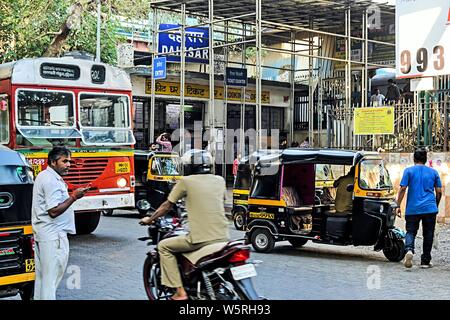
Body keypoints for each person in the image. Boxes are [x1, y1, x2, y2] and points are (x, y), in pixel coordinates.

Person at [139, 149, 229, 300]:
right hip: (223, 237)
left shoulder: (185, 182)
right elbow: (219, 201)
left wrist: (150, 218)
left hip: (200, 238)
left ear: (188, 167)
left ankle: (180, 292)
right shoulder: (220, 180)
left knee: (163, 247)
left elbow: (166, 205)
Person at [32, 146, 90, 300]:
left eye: (69, 161)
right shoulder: (50, 180)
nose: (69, 165)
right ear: (52, 162)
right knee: (50, 280)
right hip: (53, 236)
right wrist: (74, 197)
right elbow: (53, 211)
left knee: (43, 279)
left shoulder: (45, 176)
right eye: (64, 161)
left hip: (46, 234)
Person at [396, 149, 442, 269]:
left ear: (414, 159)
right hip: (430, 209)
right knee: (428, 234)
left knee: (411, 231)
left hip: (413, 209)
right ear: (425, 159)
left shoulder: (408, 171)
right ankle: (425, 261)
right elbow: (439, 191)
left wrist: (397, 205)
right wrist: (435, 204)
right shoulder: (433, 172)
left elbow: (402, 189)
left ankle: (409, 250)